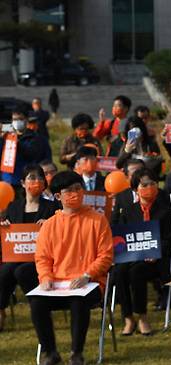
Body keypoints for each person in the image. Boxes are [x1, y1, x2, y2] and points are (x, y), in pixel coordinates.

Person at [29, 171, 113, 365]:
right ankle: (50, 352)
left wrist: (87, 275)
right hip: (57, 285)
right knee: (36, 303)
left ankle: (77, 353)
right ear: (58, 196)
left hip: (89, 283)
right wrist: (46, 278)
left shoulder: (97, 220)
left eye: (78, 189)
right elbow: (42, 258)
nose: (75, 194)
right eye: (69, 191)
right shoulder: (49, 225)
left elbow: (105, 256)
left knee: (78, 301)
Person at [112, 167, 171, 337]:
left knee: (136, 272)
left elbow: (169, 239)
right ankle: (128, 317)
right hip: (131, 257)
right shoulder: (129, 211)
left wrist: (155, 252)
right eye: (144, 185)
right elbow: (122, 238)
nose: (149, 188)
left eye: (152, 183)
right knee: (119, 271)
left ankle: (142, 316)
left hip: (156, 261)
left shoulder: (164, 210)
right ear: (135, 189)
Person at [0, 165, 59, 332]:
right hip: (17, 256)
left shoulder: (51, 207)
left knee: (21, 271)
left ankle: (39, 308)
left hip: (43, 259)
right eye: (32, 178)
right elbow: (7, 237)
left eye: (40, 178)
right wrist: (5, 226)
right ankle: (1, 309)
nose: (37, 181)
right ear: (23, 183)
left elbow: (61, 232)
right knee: (5, 271)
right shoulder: (13, 207)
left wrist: (50, 224)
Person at [1, 105, 50, 188]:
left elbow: (31, 155)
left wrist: (17, 143)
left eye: (20, 119)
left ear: (26, 120)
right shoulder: (7, 136)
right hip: (6, 179)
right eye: (14, 119)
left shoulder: (35, 138)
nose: (17, 122)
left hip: (25, 180)